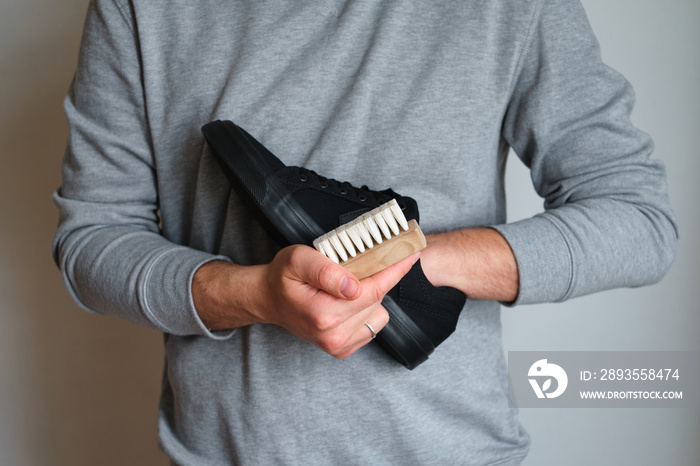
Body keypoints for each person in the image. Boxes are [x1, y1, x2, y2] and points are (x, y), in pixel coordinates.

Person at [53, 0, 678, 464]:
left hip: (451, 451)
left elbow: (637, 218)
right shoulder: (139, 7)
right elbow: (94, 236)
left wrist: (416, 263)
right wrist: (257, 295)